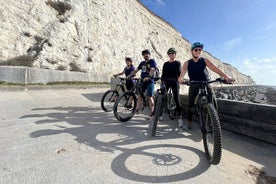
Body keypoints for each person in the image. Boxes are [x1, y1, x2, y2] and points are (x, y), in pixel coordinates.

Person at [178, 42, 234, 129]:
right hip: (194, 83)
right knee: (191, 104)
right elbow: (182, 74)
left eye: (200, 50)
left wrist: (226, 76)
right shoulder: (187, 63)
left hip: (205, 82)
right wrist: (181, 79)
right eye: (196, 50)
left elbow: (214, 68)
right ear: (192, 51)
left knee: (213, 101)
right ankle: (189, 123)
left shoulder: (204, 60)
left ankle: (214, 122)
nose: (198, 51)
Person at [127, 49, 157, 118]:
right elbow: (136, 70)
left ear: (149, 55)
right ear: (143, 55)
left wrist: (149, 76)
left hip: (150, 81)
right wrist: (129, 76)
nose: (146, 55)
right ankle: (137, 109)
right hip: (142, 81)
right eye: (144, 54)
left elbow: (152, 69)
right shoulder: (142, 63)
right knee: (140, 96)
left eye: (147, 54)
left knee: (150, 97)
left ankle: (152, 112)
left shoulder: (152, 61)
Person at [161, 47, 183, 127]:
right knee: (162, 96)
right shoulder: (165, 64)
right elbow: (163, 74)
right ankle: (158, 114)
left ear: (175, 55)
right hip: (166, 81)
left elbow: (179, 73)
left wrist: (179, 79)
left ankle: (180, 118)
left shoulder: (178, 63)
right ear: (168, 55)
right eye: (170, 53)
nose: (171, 54)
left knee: (176, 98)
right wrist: (162, 81)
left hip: (174, 81)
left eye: (173, 53)